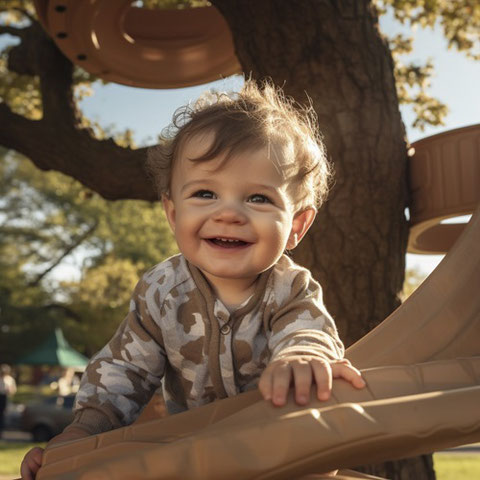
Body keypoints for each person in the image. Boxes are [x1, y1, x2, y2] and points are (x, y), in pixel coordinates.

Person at [21, 80, 366, 479]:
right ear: (172, 213)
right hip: (195, 457)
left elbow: (308, 333)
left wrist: (302, 357)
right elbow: (124, 369)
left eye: (258, 198)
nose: (229, 213)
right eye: (205, 193)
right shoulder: (162, 291)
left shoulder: (290, 289)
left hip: (279, 452)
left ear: (297, 225)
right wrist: (86, 429)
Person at [0, 364, 17, 438]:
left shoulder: (9, 379)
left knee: (2, 415)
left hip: (4, 397)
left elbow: (13, 390)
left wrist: (9, 391)